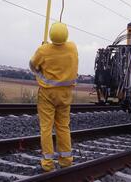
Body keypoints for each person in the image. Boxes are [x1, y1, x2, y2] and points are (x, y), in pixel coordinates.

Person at [29, 22, 78, 172]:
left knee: (46, 128)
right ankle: (66, 160)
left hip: (47, 94)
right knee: (63, 127)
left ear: (50, 35)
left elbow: (32, 66)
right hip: (65, 95)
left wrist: (44, 48)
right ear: (66, 35)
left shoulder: (43, 50)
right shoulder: (72, 47)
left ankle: (48, 163)